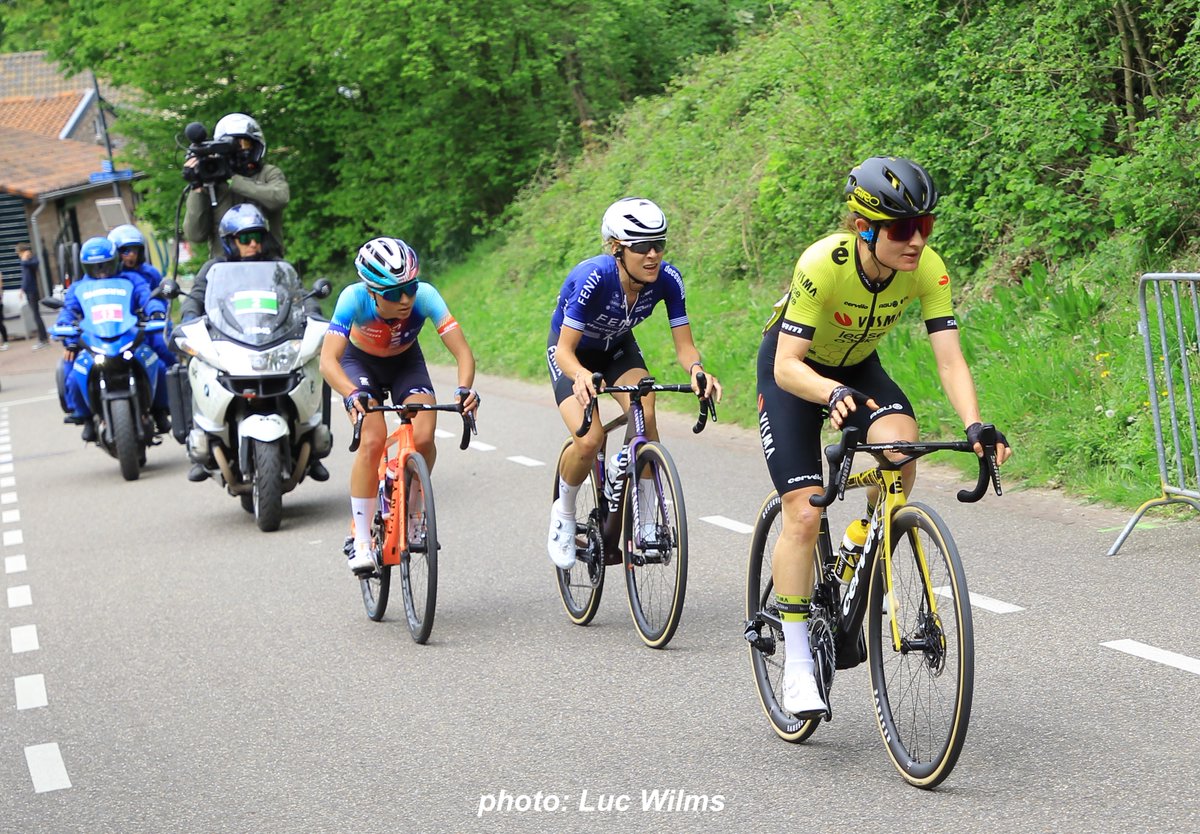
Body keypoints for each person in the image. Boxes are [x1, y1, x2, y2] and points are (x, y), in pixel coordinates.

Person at [756, 156, 1012, 716]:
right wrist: (826, 394)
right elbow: (786, 365)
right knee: (802, 511)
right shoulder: (823, 264)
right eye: (902, 230)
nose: (916, 241)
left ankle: (862, 540)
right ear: (863, 228)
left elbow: (949, 361)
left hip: (859, 369)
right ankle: (798, 658)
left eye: (925, 226)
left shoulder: (928, 269)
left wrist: (974, 424)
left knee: (901, 453)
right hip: (796, 375)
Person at [545, 197, 722, 570]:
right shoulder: (593, 277)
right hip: (574, 354)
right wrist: (578, 376)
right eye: (642, 247)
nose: (653, 254)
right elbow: (564, 350)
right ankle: (562, 513)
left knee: (646, 406)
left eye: (660, 244)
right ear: (617, 248)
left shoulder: (668, 280)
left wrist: (697, 371)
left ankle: (643, 518)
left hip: (617, 349)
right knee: (590, 439)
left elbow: (685, 346)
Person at [319, 237, 479, 573]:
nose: (405, 299)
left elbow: (463, 352)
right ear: (373, 291)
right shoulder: (353, 299)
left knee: (424, 435)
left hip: (406, 362)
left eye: (410, 288)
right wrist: (350, 393)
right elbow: (328, 362)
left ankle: (415, 513)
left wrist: (465, 389)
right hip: (359, 365)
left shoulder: (426, 297)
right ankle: (361, 539)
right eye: (393, 294)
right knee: (373, 439)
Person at [178, 203, 329, 483]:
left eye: (257, 237)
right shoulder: (214, 270)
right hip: (230, 343)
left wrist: (314, 316)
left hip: (274, 343)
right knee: (193, 368)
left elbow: (299, 297)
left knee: (316, 364)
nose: (253, 244)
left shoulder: (279, 268)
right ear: (230, 242)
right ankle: (200, 440)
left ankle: (314, 442)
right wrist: (189, 320)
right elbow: (195, 301)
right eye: (245, 238)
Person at [57, 237, 170, 442]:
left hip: (128, 338)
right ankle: (87, 418)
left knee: (158, 366)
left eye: (105, 265)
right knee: (74, 375)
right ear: (85, 267)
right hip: (94, 341)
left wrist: (156, 313)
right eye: (95, 267)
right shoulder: (78, 288)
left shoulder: (131, 280)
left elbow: (148, 298)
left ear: (115, 261)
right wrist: (65, 330)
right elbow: (68, 312)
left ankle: (160, 410)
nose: (101, 271)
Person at [182, 113, 289, 257]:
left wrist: (233, 180)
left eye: (244, 144)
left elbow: (280, 198)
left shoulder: (268, 173)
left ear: (256, 146)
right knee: (202, 277)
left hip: (268, 265)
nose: (238, 150)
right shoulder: (211, 182)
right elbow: (195, 235)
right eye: (231, 146)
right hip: (224, 269)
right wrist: (197, 187)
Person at [109, 224, 164, 292]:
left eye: (135, 249)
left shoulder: (150, 273)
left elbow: (160, 297)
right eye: (125, 250)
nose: (131, 254)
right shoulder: (108, 274)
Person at [15, 243, 49, 349]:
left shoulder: (30, 260)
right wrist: (22, 289)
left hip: (32, 291)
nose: (19, 255)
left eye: (19, 253)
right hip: (28, 290)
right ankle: (43, 339)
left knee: (36, 315)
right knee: (35, 315)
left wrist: (25, 259)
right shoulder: (27, 262)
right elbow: (25, 277)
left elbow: (32, 265)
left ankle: (43, 339)